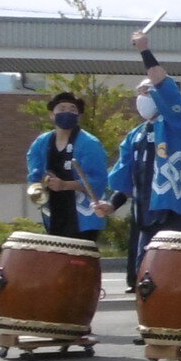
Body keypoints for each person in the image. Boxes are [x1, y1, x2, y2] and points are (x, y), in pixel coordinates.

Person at [97, 28, 181, 279]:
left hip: (174, 212)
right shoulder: (135, 135)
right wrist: (111, 204)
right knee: (144, 277)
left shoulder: (180, 123)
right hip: (144, 216)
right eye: (139, 94)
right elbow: (124, 178)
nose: (142, 97)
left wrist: (144, 49)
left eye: (147, 91)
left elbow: (161, 81)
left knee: (171, 275)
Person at [26, 91, 109, 247]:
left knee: (80, 260)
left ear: (78, 116)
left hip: (83, 214)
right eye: (62, 109)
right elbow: (34, 175)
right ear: (52, 114)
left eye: (72, 110)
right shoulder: (41, 142)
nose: (67, 113)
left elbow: (99, 180)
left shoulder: (89, 143)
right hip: (54, 211)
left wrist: (65, 185)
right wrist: (43, 182)